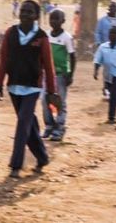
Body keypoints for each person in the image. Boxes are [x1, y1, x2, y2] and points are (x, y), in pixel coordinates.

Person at [0, 0, 60, 179]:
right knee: (29, 125)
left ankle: (15, 165)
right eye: (22, 11)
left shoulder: (42, 37)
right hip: (14, 86)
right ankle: (42, 157)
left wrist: (52, 92)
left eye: (29, 12)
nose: (24, 14)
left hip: (32, 88)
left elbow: (48, 66)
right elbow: (4, 60)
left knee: (23, 124)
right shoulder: (10, 33)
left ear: (36, 16)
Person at [42, 9, 76, 141]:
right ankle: (49, 125)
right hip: (47, 74)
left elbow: (73, 57)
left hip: (61, 74)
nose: (53, 21)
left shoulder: (67, 37)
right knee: (45, 100)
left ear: (63, 21)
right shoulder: (46, 35)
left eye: (56, 19)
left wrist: (70, 74)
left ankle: (59, 127)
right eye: (51, 18)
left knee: (60, 101)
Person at [93, 26, 116, 125]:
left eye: (115, 33)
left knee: (113, 96)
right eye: (111, 33)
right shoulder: (103, 47)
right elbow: (97, 60)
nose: (112, 35)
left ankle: (111, 117)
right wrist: (95, 71)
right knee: (113, 96)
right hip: (107, 76)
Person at [94, 2, 116, 100]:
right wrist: (99, 43)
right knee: (107, 69)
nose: (113, 9)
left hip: (115, 49)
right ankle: (107, 88)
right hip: (105, 49)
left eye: (115, 8)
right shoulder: (102, 21)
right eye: (112, 7)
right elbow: (97, 32)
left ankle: (111, 89)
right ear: (109, 9)